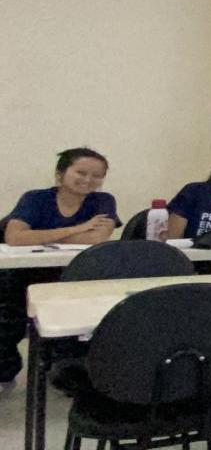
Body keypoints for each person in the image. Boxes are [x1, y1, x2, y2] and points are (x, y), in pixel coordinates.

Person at [0, 148, 119, 390]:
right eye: (81, 172)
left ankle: (65, 369)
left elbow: (97, 240)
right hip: (23, 274)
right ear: (60, 174)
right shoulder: (35, 198)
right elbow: (14, 237)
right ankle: (5, 370)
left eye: (96, 175)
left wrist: (40, 236)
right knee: (7, 313)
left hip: (76, 275)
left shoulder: (103, 200)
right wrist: (79, 228)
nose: (88, 180)